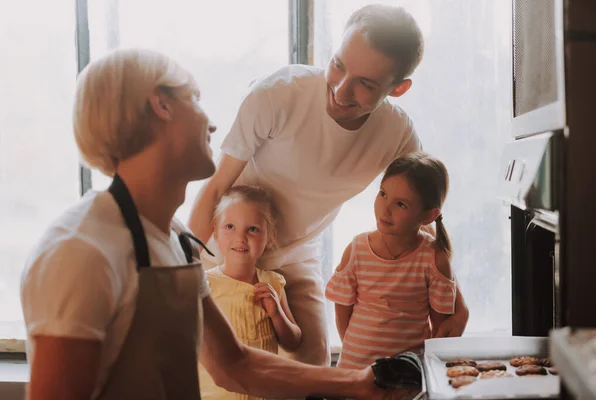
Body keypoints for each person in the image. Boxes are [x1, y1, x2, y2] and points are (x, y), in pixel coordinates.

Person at [20, 48, 416, 400]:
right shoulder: (81, 251)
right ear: (162, 106)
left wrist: (362, 384)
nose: (212, 125)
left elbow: (236, 365)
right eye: (196, 99)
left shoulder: (175, 239)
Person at [189, 4, 469, 368]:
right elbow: (214, 188)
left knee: (312, 365)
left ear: (398, 88)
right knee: (207, 362)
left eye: (365, 84)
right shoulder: (276, 94)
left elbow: (422, 216)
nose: (340, 88)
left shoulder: (397, 134)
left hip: (295, 249)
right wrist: (182, 272)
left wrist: (457, 303)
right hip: (227, 242)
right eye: (338, 65)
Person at [326, 152, 458, 369]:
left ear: (427, 216)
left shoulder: (434, 258)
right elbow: (342, 312)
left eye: (401, 204)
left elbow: (439, 328)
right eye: (383, 194)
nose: (385, 209)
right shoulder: (356, 250)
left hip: (407, 377)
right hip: (355, 372)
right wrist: (356, 353)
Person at [199, 185, 301, 399]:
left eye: (252, 229)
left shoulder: (273, 282)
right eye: (230, 226)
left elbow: (293, 342)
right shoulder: (205, 283)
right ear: (215, 233)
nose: (240, 237)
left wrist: (276, 314)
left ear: (270, 237)